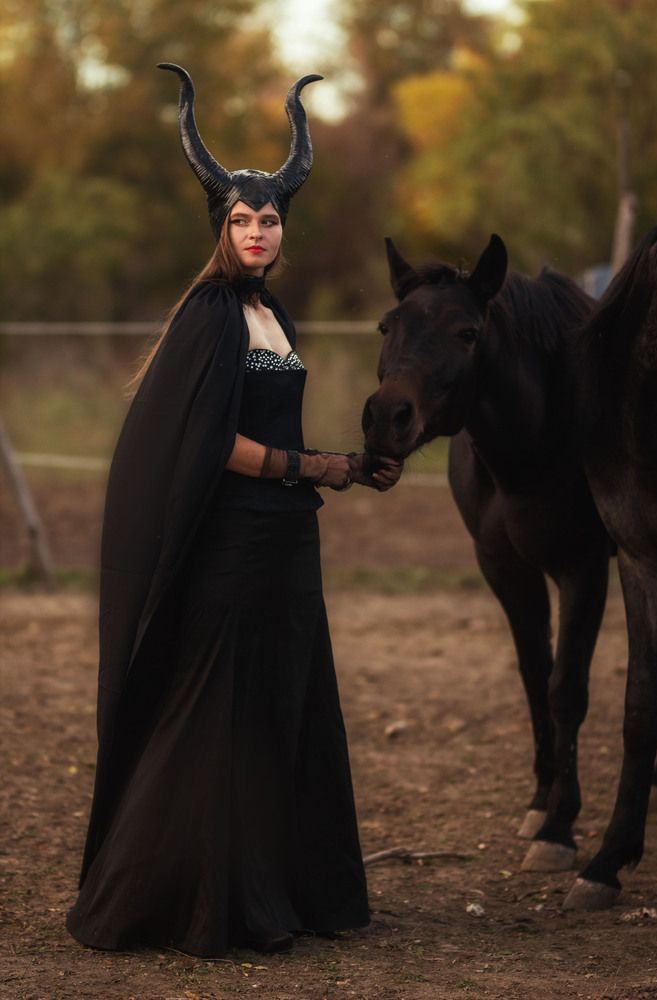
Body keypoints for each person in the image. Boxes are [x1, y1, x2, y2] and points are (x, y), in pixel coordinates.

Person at [66, 63, 402, 958]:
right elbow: (213, 441)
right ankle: (184, 900)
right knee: (214, 713)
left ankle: (278, 890)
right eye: (243, 220)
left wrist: (348, 465)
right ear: (221, 227)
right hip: (231, 542)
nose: (258, 231)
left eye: (270, 219)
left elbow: (269, 421)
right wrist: (315, 466)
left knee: (280, 707)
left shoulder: (273, 311)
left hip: (287, 540)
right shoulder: (211, 313)